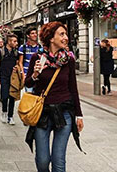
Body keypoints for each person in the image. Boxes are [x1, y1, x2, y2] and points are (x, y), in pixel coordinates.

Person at [25, 21, 84, 172]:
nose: (66, 38)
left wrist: (79, 114)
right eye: (61, 34)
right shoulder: (37, 58)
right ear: (51, 38)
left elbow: (73, 87)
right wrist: (35, 74)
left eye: (66, 34)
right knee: (43, 160)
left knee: (59, 161)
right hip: (42, 113)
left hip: (64, 112)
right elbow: (28, 83)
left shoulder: (69, 60)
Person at [0, 34, 19, 125]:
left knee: (12, 97)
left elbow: (17, 63)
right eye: (14, 41)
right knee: (5, 96)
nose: (16, 43)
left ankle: (10, 116)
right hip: (4, 77)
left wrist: (17, 68)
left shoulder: (16, 52)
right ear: (9, 42)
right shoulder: (0, 52)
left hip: (13, 78)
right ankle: (4, 112)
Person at [18, 27, 41, 92]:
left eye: (35, 33)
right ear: (28, 36)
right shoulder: (23, 47)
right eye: (32, 33)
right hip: (27, 75)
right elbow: (20, 62)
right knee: (30, 97)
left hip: (38, 76)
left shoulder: (39, 47)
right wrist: (23, 75)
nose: (35, 35)